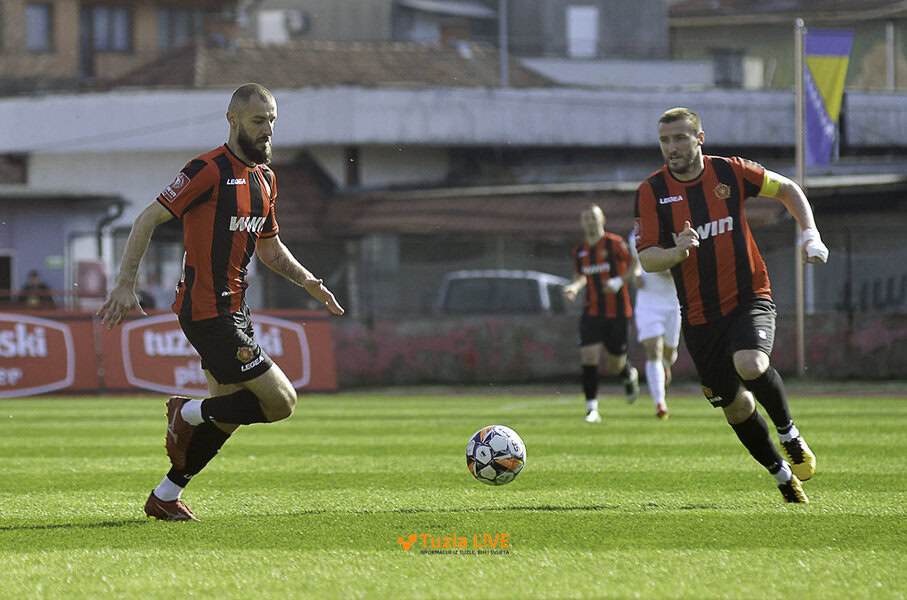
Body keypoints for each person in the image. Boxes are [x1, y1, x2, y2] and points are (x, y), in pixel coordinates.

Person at [97, 83, 344, 521]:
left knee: (226, 415)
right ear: (233, 120)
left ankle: (166, 495)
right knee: (281, 402)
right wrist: (124, 283)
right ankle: (185, 411)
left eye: (272, 121)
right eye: (258, 120)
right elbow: (146, 219)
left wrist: (308, 281)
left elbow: (270, 249)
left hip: (235, 310)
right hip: (206, 311)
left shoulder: (266, 179)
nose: (267, 130)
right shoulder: (207, 169)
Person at [635, 107, 828, 503]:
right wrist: (677, 251)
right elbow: (648, 258)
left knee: (750, 363)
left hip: (749, 297)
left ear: (699, 138)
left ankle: (790, 434)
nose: (672, 147)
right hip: (699, 317)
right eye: (665, 140)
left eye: (680, 138)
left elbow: (788, 189)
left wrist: (810, 233)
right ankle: (781, 475)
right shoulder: (652, 191)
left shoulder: (730, 171)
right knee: (736, 408)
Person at [563, 204, 640, 424]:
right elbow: (580, 276)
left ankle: (627, 373)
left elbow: (634, 266)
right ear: (582, 223)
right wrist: (574, 288)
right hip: (591, 311)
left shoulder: (615, 244)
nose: (590, 221)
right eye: (586, 218)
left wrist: (618, 281)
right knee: (589, 356)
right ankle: (592, 409)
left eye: (593, 217)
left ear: (602, 219)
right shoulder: (580, 250)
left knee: (615, 364)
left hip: (618, 312)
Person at [628, 228, 680, 420]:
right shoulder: (636, 235)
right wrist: (636, 275)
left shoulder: (673, 232)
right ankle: (660, 403)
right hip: (648, 301)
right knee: (653, 349)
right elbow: (635, 263)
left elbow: (677, 266)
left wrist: (665, 267)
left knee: (669, 354)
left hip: (672, 301)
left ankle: (665, 365)